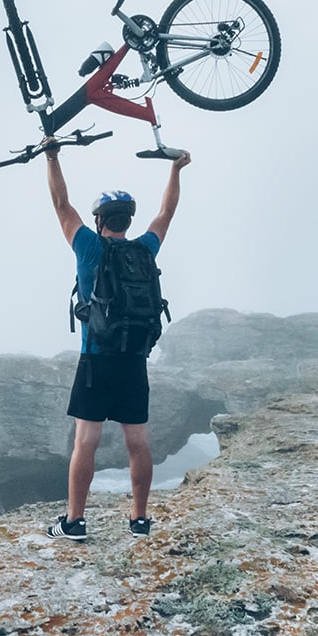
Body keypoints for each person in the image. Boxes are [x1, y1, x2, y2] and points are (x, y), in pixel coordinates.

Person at [42, 138, 191, 541]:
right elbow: (166, 212)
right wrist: (175, 170)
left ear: (99, 220)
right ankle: (139, 521)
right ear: (126, 221)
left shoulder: (89, 248)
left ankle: (74, 522)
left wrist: (52, 157)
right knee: (138, 441)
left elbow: (61, 205)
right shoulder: (145, 249)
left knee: (86, 440)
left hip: (96, 359)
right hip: (133, 361)